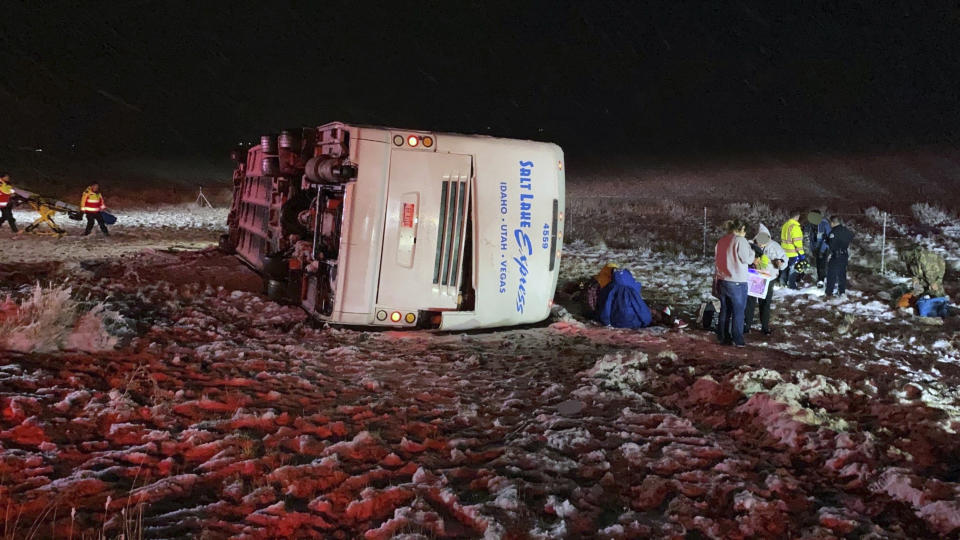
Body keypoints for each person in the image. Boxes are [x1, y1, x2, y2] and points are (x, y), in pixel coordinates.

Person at [715, 218, 757, 347]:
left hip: (723, 280)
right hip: (737, 281)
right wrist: (753, 252)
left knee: (725, 311)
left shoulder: (722, 241)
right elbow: (747, 259)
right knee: (738, 312)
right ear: (742, 229)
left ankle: (723, 337)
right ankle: (737, 339)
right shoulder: (740, 241)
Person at [744, 224, 787, 335]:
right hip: (754, 276)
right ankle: (746, 326)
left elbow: (784, 259)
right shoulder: (750, 245)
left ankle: (765, 327)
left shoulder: (775, 246)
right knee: (750, 302)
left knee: (765, 303)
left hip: (768, 278)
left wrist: (780, 263)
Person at [824, 215, 853, 298]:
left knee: (831, 274)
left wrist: (827, 240)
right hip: (844, 254)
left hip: (836, 255)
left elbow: (832, 245)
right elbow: (851, 236)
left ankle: (829, 292)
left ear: (833, 223)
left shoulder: (833, 232)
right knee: (842, 273)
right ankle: (842, 291)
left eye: (831, 223)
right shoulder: (845, 230)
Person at [780, 210, 806, 289]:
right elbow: (797, 243)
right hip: (793, 253)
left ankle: (782, 284)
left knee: (784, 268)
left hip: (784, 251)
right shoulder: (795, 227)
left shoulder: (785, 225)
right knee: (793, 270)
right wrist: (801, 254)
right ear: (797, 217)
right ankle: (792, 286)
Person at [807, 210, 831, 286]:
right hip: (816, 248)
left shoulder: (824, 224)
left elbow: (827, 238)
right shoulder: (812, 225)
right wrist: (812, 249)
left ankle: (822, 280)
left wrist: (822, 250)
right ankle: (820, 278)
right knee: (818, 264)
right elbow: (811, 237)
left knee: (822, 264)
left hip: (824, 248)